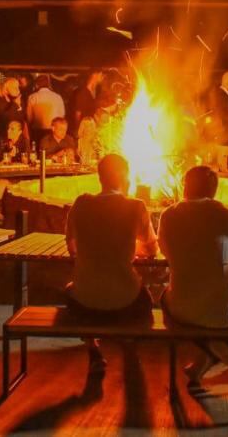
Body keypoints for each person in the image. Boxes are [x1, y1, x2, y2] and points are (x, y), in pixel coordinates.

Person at [65, 154, 158, 371]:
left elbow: (72, 248)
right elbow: (153, 249)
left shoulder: (81, 203)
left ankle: (93, 349)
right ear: (125, 177)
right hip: (127, 303)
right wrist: (129, 249)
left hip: (85, 304)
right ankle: (130, 344)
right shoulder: (136, 206)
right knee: (147, 299)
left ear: (100, 177)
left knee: (70, 291)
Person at [158, 166, 228, 384]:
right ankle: (215, 352)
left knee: (163, 299)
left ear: (185, 187)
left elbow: (164, 252)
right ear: (214, 190)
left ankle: (212, 349)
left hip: (183, 308)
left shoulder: (169, 215)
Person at [205, 71, 228, 147]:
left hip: (225, 139)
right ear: (227, 81)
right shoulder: (220, 96)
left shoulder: (225, 96)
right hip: (224, 140)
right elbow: (227, 117)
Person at [26, 75, 66, 142]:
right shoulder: (57, 97)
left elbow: (29, 117)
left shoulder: (32, 97)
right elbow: (62, 115)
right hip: (53, 130)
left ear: (37, 85)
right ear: (48, 84)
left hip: (37, 131)